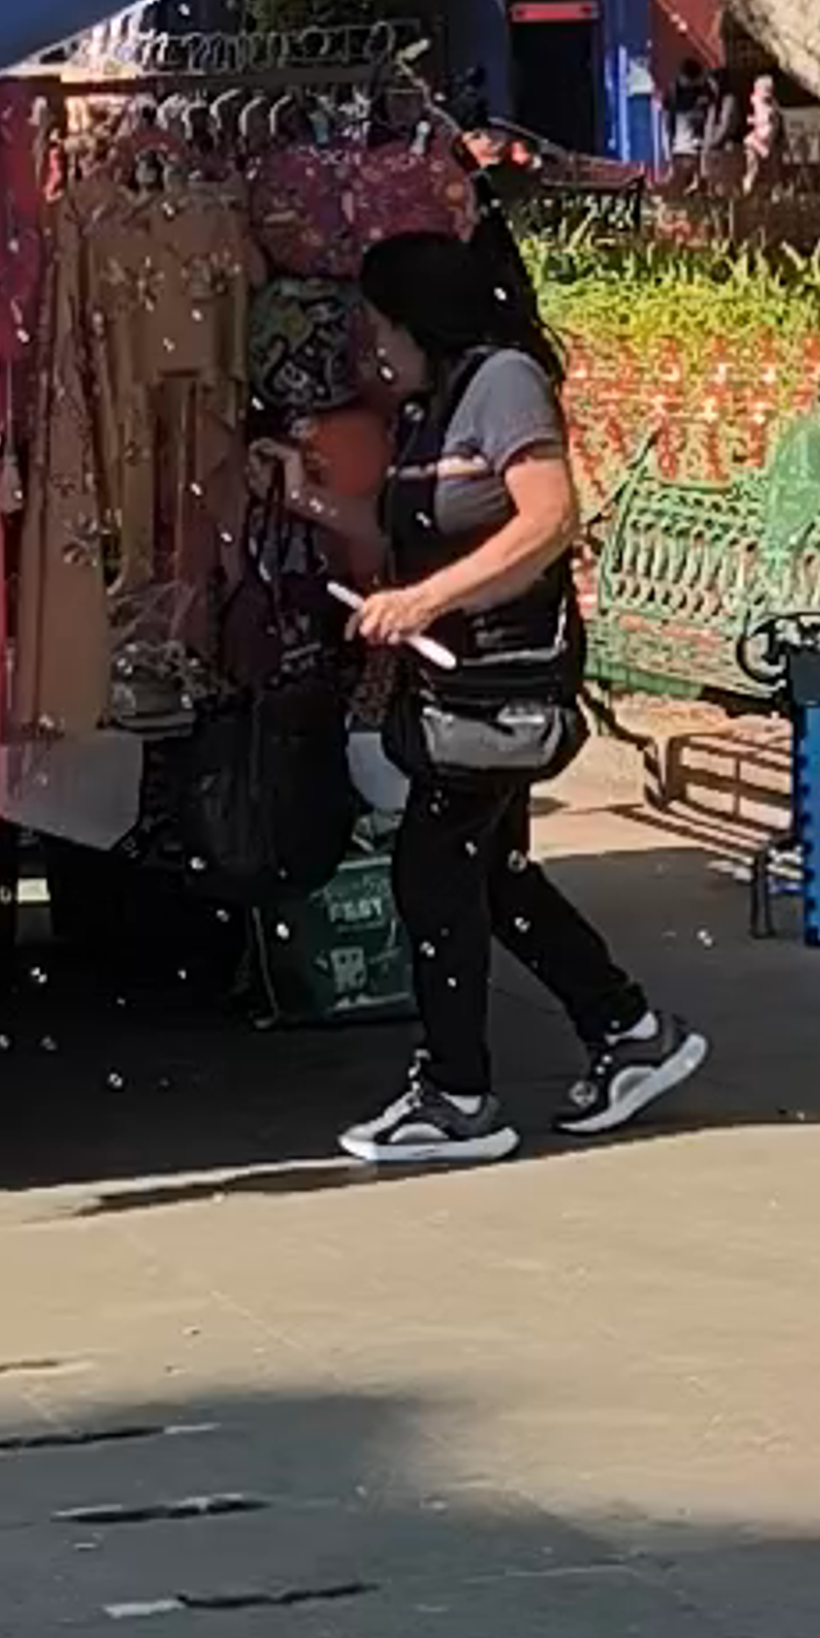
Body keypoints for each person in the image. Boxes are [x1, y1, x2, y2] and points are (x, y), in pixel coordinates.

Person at [333, 220, 704, 1175]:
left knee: (433, 871)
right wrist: (312, 505)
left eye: (378, 323)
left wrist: (426, 599)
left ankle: (460, 1095)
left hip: (498, 687)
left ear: (419, 318)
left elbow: (549, 517)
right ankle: (630, 1028)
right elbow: (412, 542)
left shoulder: (501, 383)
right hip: (448, 687)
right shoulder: (426, 409)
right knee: (491, 877)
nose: (371, 344)